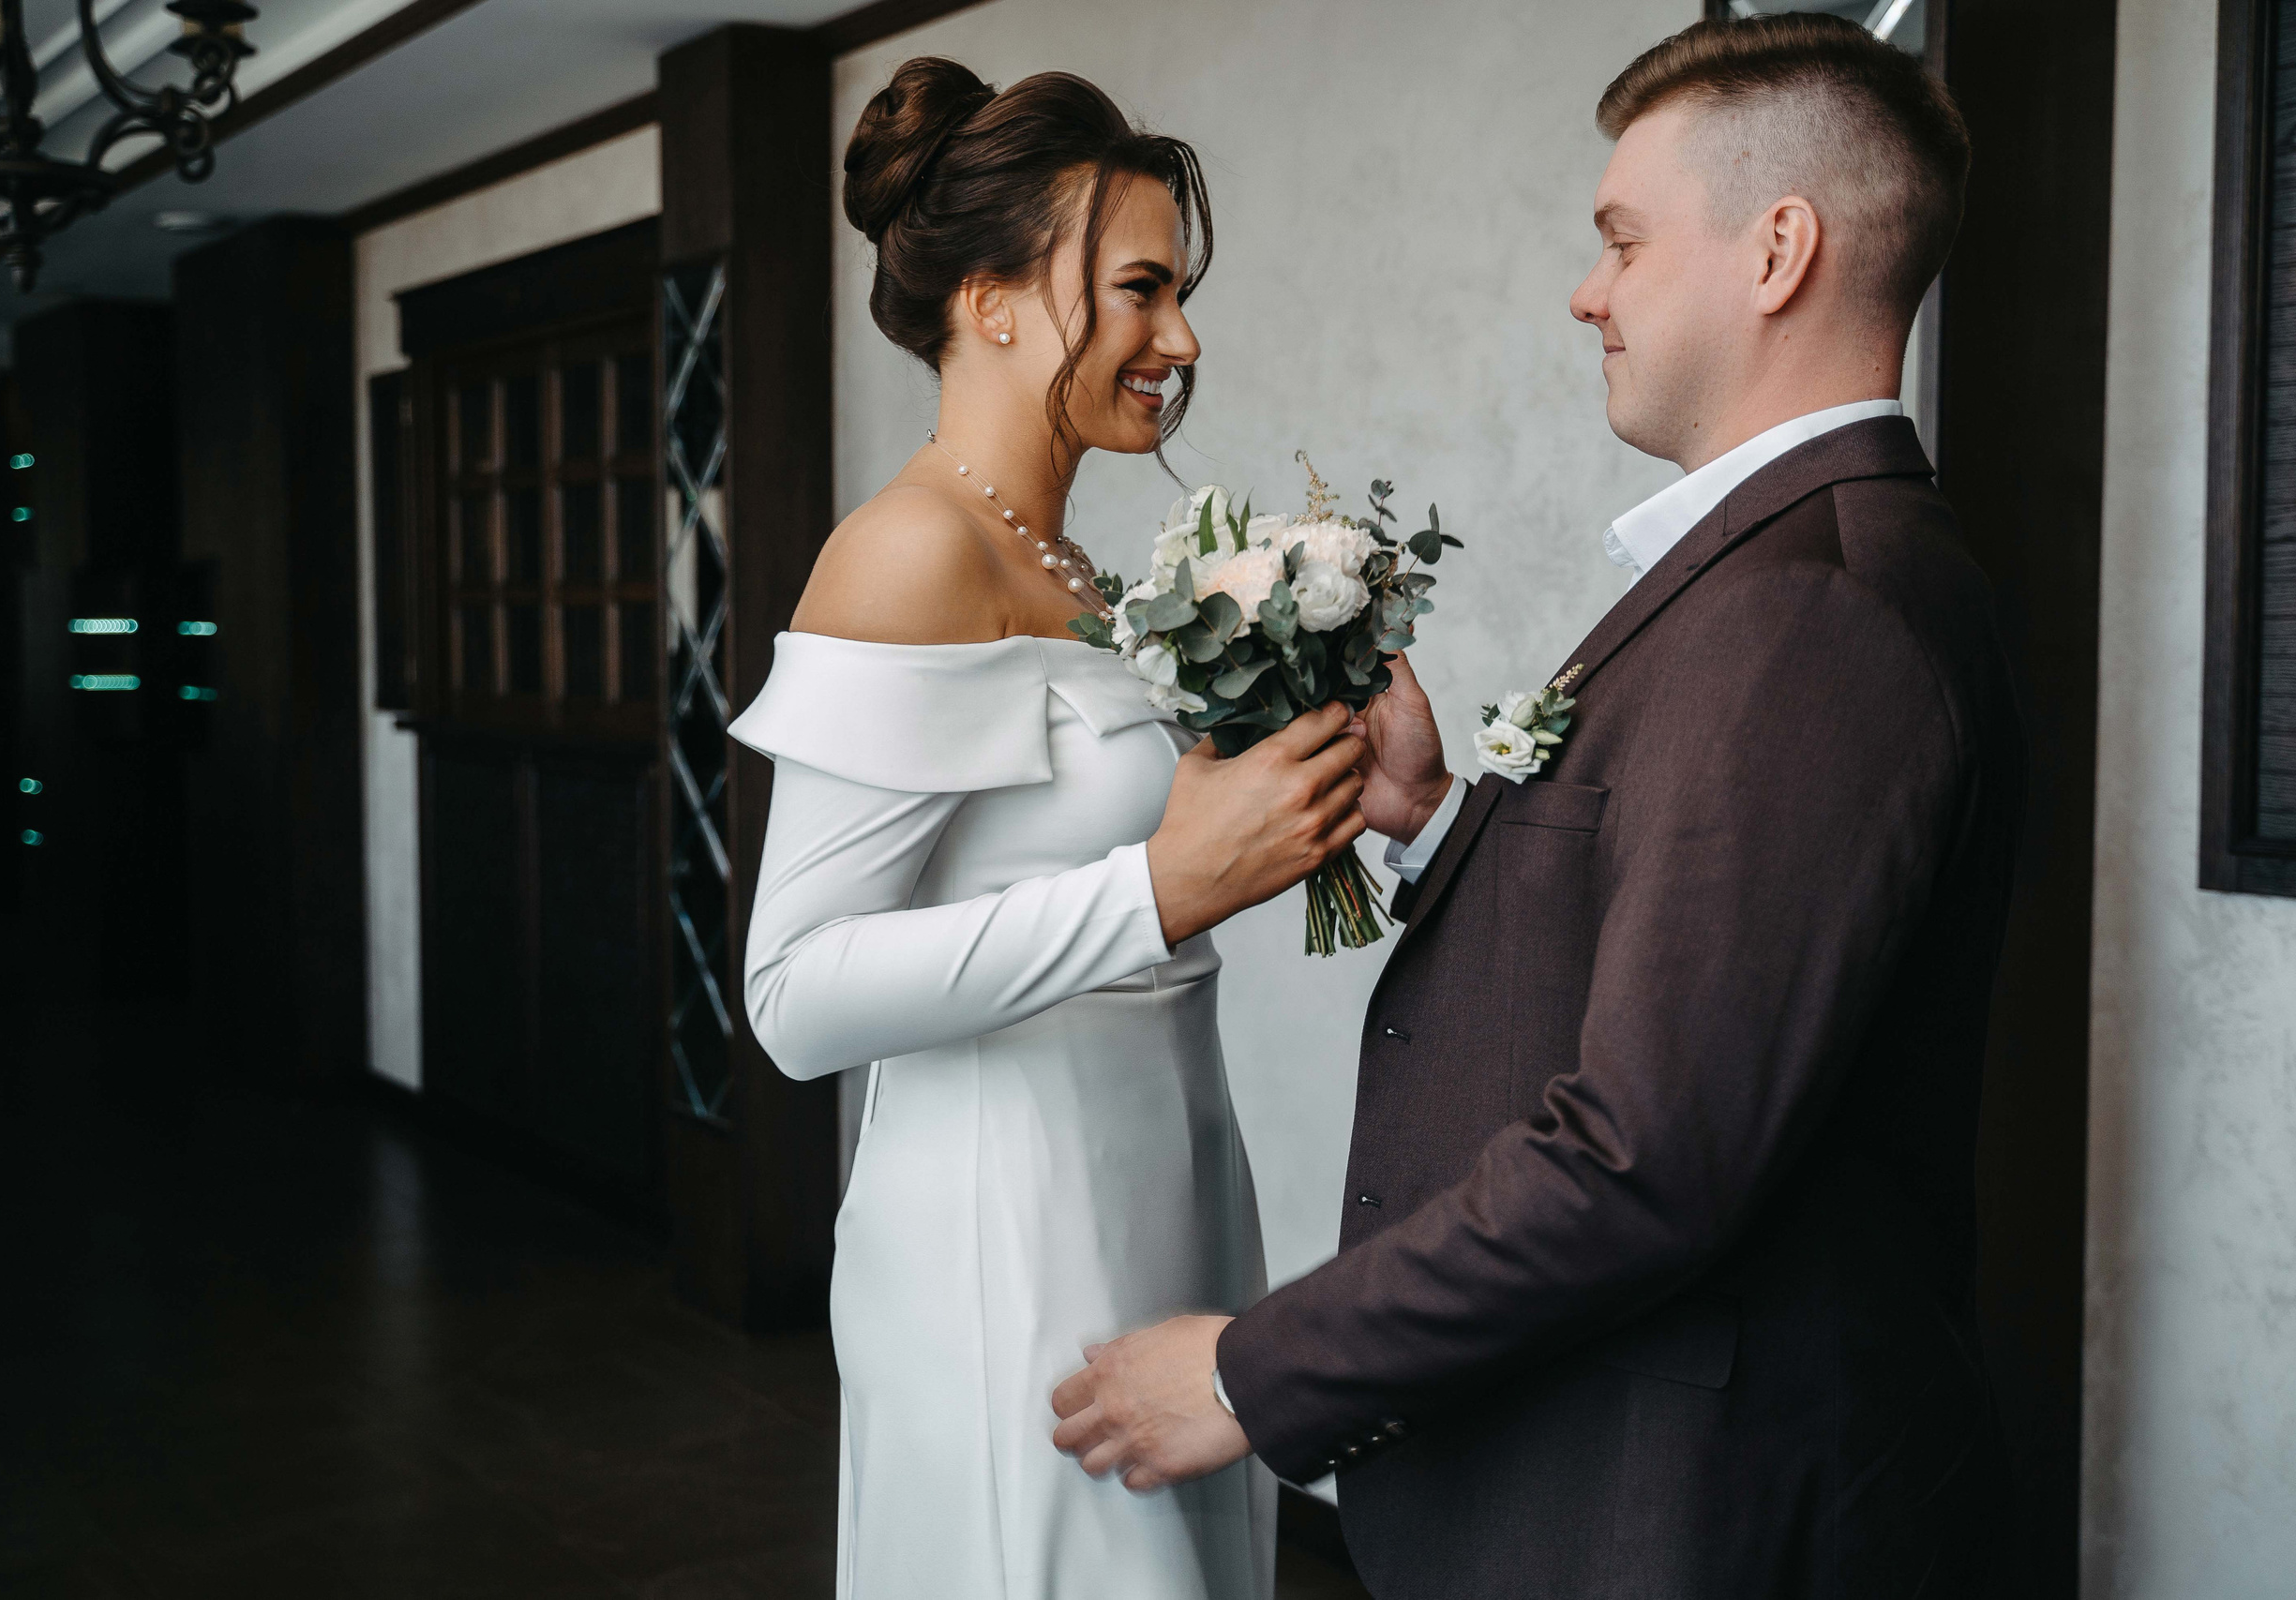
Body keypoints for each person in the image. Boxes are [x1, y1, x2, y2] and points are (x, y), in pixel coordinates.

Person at [1052, 15, 2025, 1597]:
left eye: (1623, 241)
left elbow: (1649, 1153)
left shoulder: (1818, 609)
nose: (1589, 288)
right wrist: (1434, 821)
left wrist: (1253, 1369)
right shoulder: (1782, 568)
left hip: (1695, 1514)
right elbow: (1690, 959)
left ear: (1779, 249)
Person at [729, 57, 1365, 1600]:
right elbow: (794, 997)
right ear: (994, 301)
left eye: (1181, 291)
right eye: (1142, 288)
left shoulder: (1078, 568)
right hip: (1004, 1228)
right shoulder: (906, 555)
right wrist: (1152, 890)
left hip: (1167, 1178)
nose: (1183, 338)